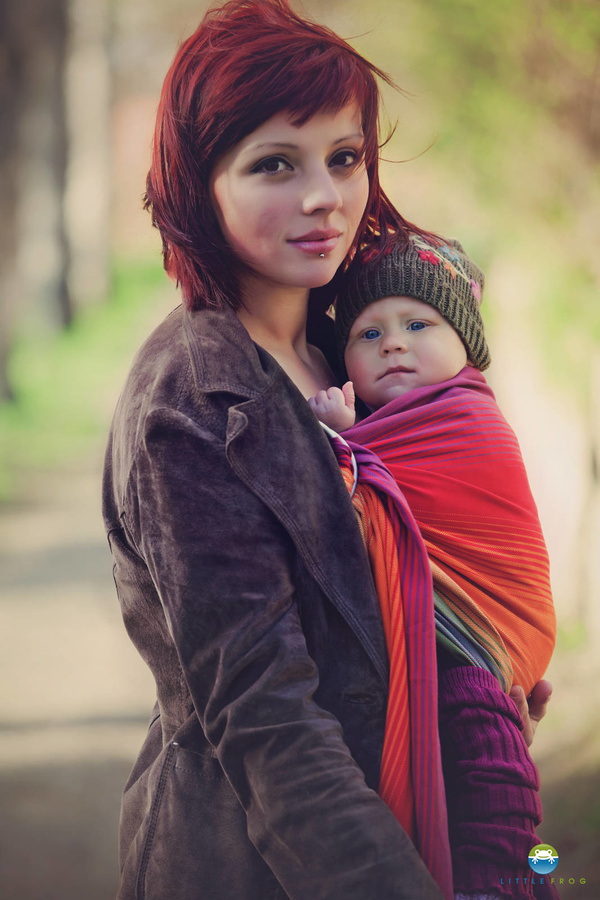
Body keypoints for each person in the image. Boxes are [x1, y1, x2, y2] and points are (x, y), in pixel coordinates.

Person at [102, 2, 550, 898]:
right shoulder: (192, 403)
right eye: (275, 164)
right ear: (201, 184)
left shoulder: (343, 343)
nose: (326, 198)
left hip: (416, 814)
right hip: (258, 866)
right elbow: (269, 726)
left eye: (345, 158)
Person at [309, 235, 558, 899]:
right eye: (368, 333)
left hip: (477, 656)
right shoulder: (384, 426)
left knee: (491, 791)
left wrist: (338, 447)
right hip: (438, 659)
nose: (393, 343)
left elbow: (366, 505)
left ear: (466, 346)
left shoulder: (472, 421)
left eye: (419, 324)